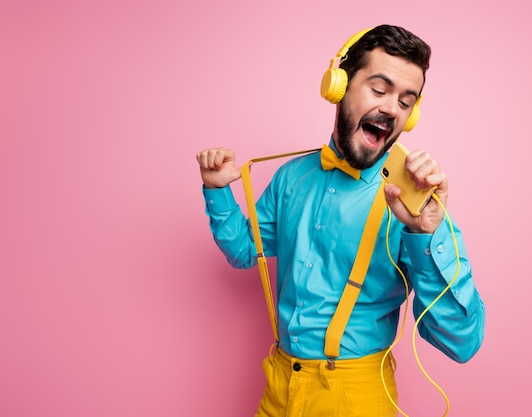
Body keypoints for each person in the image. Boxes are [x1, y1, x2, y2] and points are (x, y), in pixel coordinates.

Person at [196, 24, 485, 417]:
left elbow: (461, 342)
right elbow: (246, 251)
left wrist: (425, 232)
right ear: (339, 85)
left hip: (355, 394)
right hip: (279, 382)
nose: (391, 109)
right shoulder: (290, 177)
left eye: (405, 101)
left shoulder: (414, 202)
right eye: (379, 90)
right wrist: (218, 192)